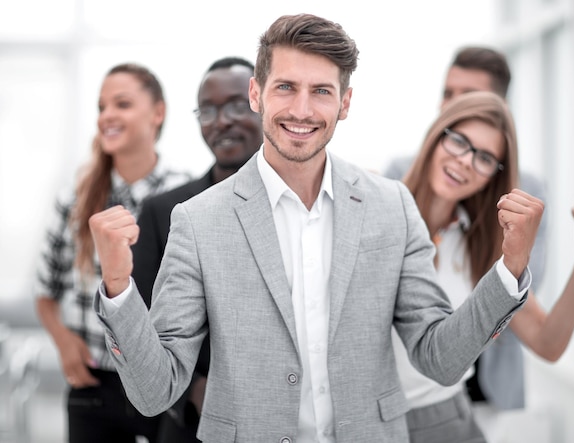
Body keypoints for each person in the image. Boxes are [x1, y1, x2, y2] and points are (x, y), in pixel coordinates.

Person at [88, 14, 543, 443]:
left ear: (344, 102)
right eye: (285, 87)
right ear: (256, 94)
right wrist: (117, 287)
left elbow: (438, 359)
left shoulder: (391, 206)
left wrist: (510, 268)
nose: (302, 110)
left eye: (321, 91)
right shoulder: (198, 219)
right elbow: (156, 392)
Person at [392, 90, 574, 443]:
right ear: (437, 134)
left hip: (451, 419)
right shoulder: (376, 214)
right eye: (459, 141)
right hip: (377, 421)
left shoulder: (480, 246)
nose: (465, 161)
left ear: (493, 176)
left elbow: (548, 342)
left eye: (484, 157)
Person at [384, 45, 549, 420]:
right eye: (448, 94)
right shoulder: (389, 193)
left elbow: (531, 317)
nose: (464, 161)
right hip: (391, 406)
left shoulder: (479, 232)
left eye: (485, 157)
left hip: (465, 398)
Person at [35, 63, 190, 443]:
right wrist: (63, 340)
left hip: (165, 384)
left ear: (158, 113)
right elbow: (46, 290)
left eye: (121, 104)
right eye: (101, 107)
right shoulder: (76, 196)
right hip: (92, 383)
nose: (107, 116)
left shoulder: (187, 196)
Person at [132, 56, 262, 443]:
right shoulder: (166, 211)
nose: (221, 120)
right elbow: (143, 322)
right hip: (194, 422)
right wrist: (192, 389)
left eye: (237, 105)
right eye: (208, 110)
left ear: (263, 105)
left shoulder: (297, 205)